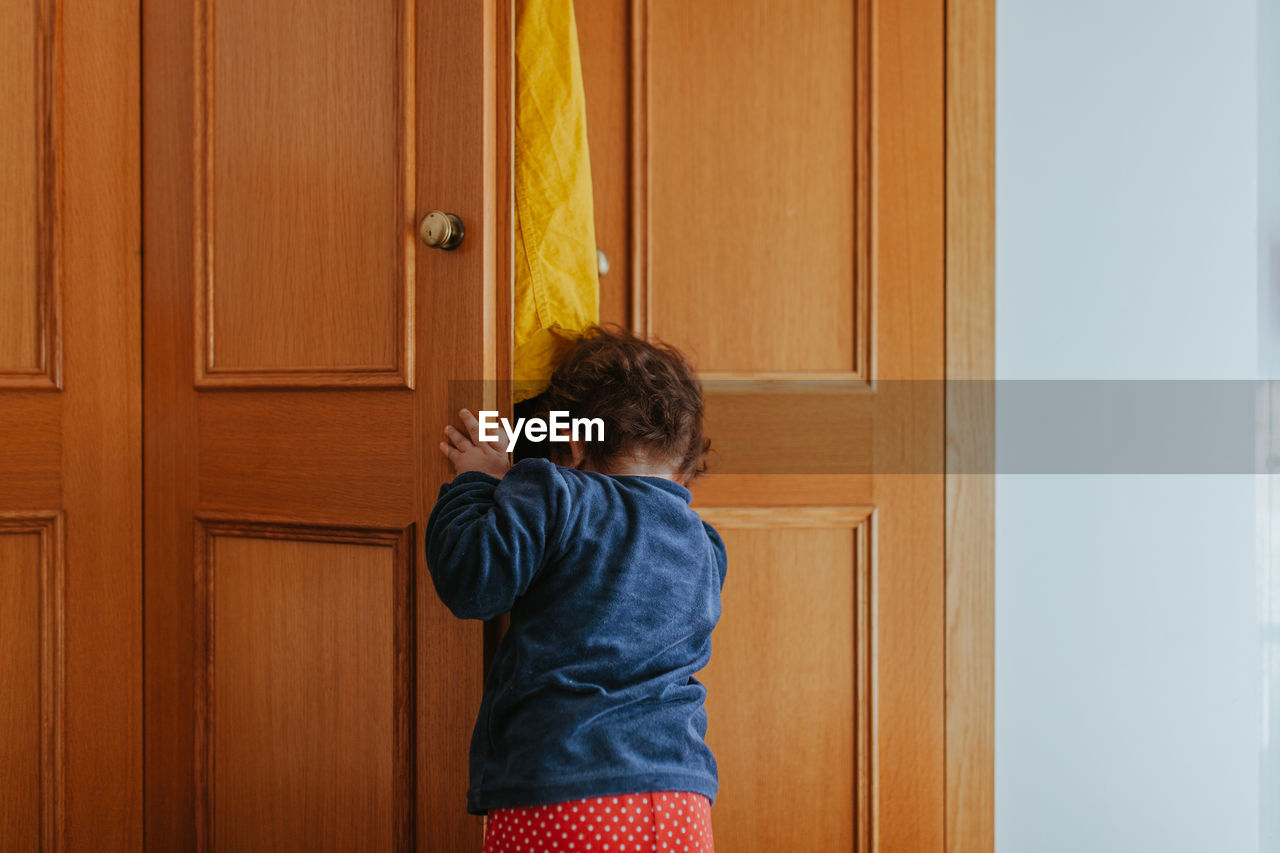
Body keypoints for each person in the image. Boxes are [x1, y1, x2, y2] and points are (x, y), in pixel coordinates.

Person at [426, 326, 725, 853]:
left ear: (575, 443)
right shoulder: (705, 545)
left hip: (566, 790)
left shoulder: (554, 492)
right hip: (682, 797)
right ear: (683, 472)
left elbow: (471, 583)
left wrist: (483, 481)